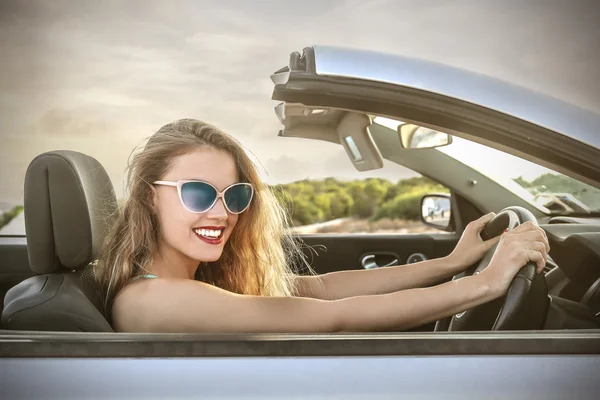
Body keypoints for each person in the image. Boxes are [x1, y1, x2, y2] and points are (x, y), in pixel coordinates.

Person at [93, 118, 550, 333]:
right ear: (150, 197)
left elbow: (325, 290)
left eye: (234, 196)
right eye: (196, 193)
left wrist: (451, 263)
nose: (221, 213)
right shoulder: (156, 299)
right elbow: (335, 316)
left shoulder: (185, 280)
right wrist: (486, 284)